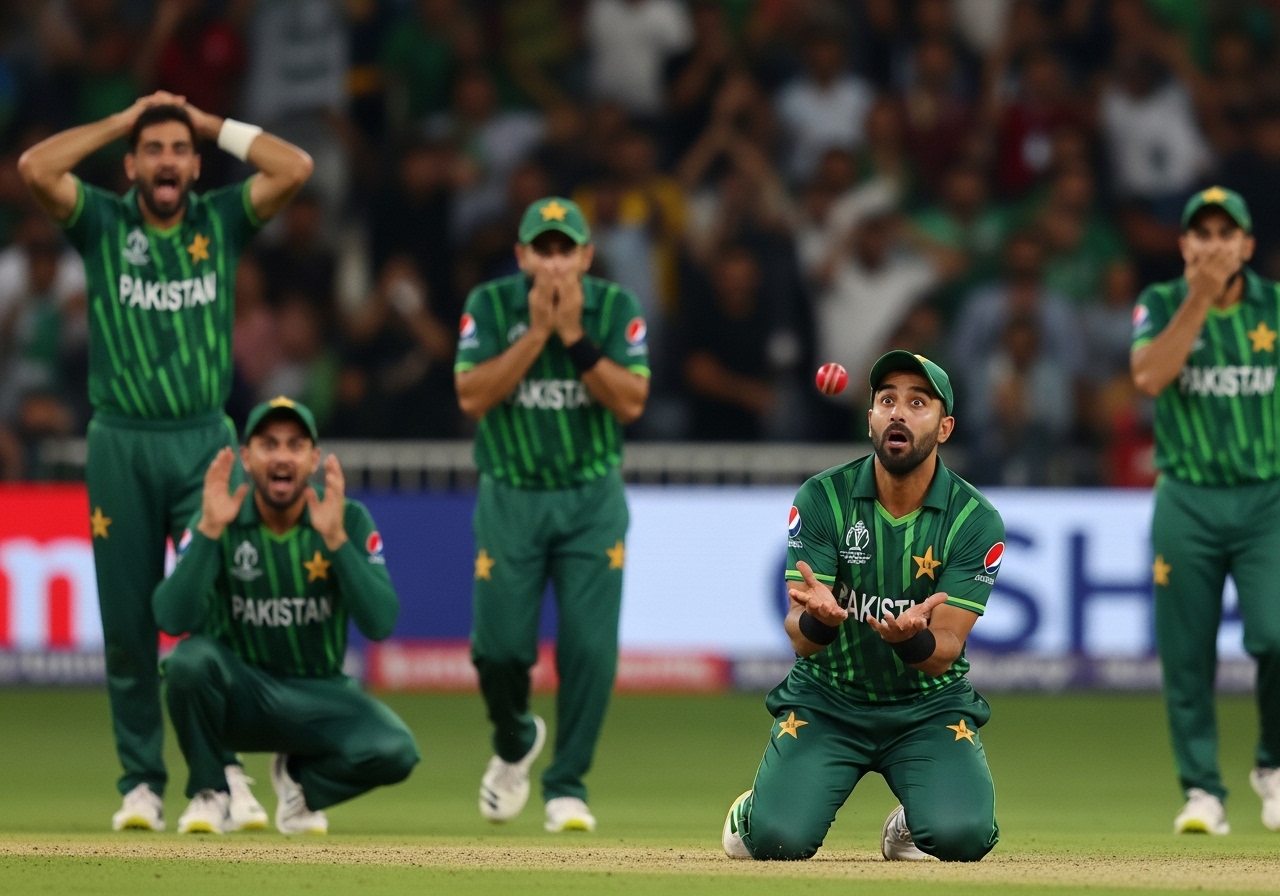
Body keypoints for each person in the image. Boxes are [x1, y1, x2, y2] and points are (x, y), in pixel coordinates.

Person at [18, 90, 313, 831]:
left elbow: (296, 166)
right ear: (132, 164)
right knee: (127, 624)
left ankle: (225, 777)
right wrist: (122, 118)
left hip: (204, 444)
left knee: (223, 611)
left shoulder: (220, 219)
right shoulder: (103, 223)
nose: (169, 161)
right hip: (120, 442)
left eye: (181, 150)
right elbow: (33, 167)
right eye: (153, 150)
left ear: (194, 162)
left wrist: (214, 126)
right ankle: (142, 785)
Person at [722, 351, 1004, 862]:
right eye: (886, 400)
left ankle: (911, 822)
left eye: (917, 402)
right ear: (871, 418)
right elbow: (799, 636)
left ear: (944, 428)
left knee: (964, 839)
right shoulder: (823, 498)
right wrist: (820, 620)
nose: (898, 412)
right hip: (828, 699)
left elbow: (944, 651)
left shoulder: (974, 520)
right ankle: (755, 809)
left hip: (928, 706)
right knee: (771, 841)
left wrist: (910, 639)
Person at [454, 196, 650, 833]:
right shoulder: (489, 305)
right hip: (511, 493)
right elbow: (471, 394)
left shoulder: (616, 309)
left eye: (568, 250)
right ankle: (514, 741)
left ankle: (567, 785)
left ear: (587, 257)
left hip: (591, 499)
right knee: (500, 652)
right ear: (523, 255)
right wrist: (537, 332)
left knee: (590, 650)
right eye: (545, 249)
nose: (557, 262)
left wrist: (572, 336)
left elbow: (631, 402)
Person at [151, 397, 419, 834]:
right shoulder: (221, 516)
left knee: (396, 750)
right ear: (246, 457)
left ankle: (302, 785)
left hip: (318, 698)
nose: (281, 456)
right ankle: (212, 791)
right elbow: (170, 616)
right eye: (269, 444)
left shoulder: (347, 518)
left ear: (313, 459)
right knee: (187, 663)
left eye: (295, 445)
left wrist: (335, 540)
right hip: (242, 695)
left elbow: (380, 623)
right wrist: (208, 532)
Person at [1131, 187, 1280, 834]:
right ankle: (1201, 792)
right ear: (1185, 244)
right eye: (1203, 232)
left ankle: (1272, 767)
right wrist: (1197, 297)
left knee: (1276, 635)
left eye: (1227, 233)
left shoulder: (1275, 307)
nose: (1215, 243)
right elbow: (1150, 378)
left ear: (1247, 245)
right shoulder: (1160, 302)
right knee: (1186, 652)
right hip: (1186, 499)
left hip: (1267, 498)